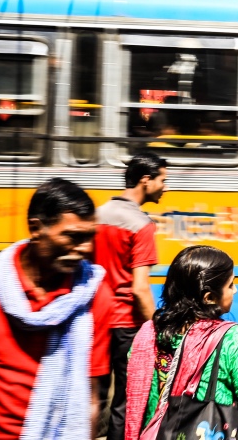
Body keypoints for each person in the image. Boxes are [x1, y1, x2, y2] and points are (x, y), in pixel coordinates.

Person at [0, 178, 112, 440]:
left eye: (89, 237)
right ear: (36, 228)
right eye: (74, 237)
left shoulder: (93, 296)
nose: (86, 248)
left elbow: (91, 395)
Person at [124, 245, 238, 440]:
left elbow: (140, 403)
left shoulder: (148, 334)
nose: (236, 290)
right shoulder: (231, 337)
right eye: (231, 285)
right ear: (209, 298)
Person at [96, 152, 168, 440]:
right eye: (163, 179)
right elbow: (139, 288)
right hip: (126, 324)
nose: (166, 186)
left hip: (96, 320)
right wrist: (156, 327)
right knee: (125, 403)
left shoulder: (98, 215)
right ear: (145, 180)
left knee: (94, 398)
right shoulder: (142, 225)